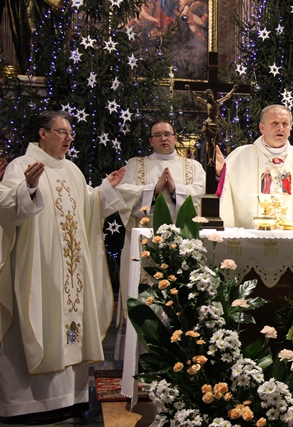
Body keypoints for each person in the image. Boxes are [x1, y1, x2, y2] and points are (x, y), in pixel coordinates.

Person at [0, 110, 126, 423]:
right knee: (40, 320)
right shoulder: (21, 165)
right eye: (62, 132)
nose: (69, 138)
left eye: (70, 133)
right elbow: (6, 207)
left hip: (71, 273)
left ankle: (70, 399)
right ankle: (26, 405)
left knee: (70, 327)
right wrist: (27, 188)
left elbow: (88, 207)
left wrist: (105, 190)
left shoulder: (71, 170)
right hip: (38, 269)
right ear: (43, 133)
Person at [115, 119, 206, 358]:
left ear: (175, 137)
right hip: (144, 244)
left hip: (181, 244)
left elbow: (202, 194)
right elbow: (123, 193)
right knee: (146, 295)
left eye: (167, 134)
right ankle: (143, 356)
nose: (163, 139)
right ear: (150, 140)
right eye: (157, 135)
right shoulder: (136, 164)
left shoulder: (193, 166)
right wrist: (153, 190)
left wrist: (176, 189)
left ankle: (182, 355)